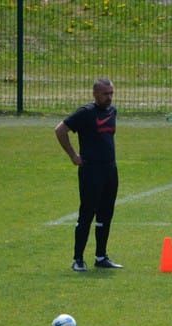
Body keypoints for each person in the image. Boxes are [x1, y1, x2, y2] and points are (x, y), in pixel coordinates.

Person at [54, 78, 122, 271]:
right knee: (87, 214)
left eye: (111, 93)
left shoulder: (112, 111)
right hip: (91, 171)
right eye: (105, 94)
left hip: (110, 169)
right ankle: (78, 259)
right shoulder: (86, 113)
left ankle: (101, 257)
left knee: (106, 214)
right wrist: (73, 155)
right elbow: (60, 130)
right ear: (95, 94)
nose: (109, 97)